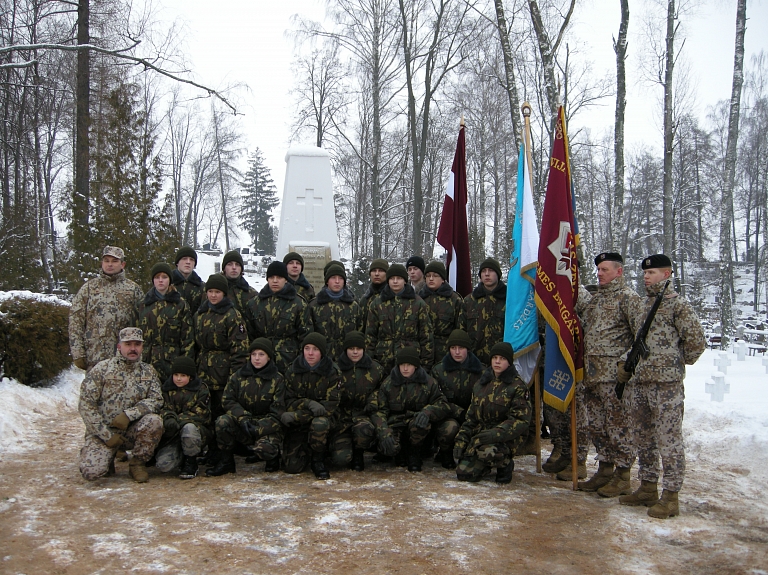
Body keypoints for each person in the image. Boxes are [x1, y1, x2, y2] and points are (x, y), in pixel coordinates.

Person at [617, 254, 706, 519]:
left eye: (652, 273)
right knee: (642, 437)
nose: (646, 276)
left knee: (669, 441)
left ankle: (671, 496)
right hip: (642, 382)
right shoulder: (644, 305)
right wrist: (625, 363)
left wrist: (676, 362)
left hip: (666, 386)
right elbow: (637, 340)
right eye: (645, 273)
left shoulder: (678, 305)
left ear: (666, 274)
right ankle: (647, 485)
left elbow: (696, 341)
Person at [576, 252, 642, 495]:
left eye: (605, 269)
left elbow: (640, 338)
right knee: (597, 425)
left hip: (615, 380)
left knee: (619, 426)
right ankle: (604, 469)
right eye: (598, 270)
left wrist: (625, 365)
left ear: (619, 271)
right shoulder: (595, 300)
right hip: (593, 377)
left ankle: (623, 474)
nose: (600, 274)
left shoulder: (629, 299)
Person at [77, 327, 163, 483]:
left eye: (137, 344)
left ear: (142, 347)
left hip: (131, 430)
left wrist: (129, 414)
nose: (132, 348)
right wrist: (106, 435)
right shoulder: (102, 369)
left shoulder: (148, 371)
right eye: (128, 344)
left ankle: (137, 463)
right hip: (103, 431)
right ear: (119, 346)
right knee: (91, 473)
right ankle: (106, 457)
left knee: (154, 421)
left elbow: (156, 399)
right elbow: (86, 404)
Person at [453, 342, 531, 484]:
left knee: (486, 452)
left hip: (506, 438)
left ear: (509, 362)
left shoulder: (517, 386)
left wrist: (496, 434)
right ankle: (484, 464)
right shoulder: (481, 384)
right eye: (495, 357)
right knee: (464, 473)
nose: (497, 361)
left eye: (502, 358)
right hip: (482, 436)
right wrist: (461, 440)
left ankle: (505, 464)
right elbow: (471, 417)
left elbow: (520, 420)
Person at [206, 338, 286, 476]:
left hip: (267, 427)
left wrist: (259, 427)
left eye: (261, 354)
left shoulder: (277, 380)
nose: (256, 358)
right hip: (244, 423)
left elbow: (278, 412)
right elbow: (227, 400)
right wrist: (242, 418)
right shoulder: (238, 376)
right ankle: (226, 462)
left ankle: (272, 459)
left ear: (269, 357)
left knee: (265, 449)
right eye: (253, 354)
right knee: (222, 422)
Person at [194, 273, 249, 464]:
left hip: (223, 372)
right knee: (206, 412)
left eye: (217, 292)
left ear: (224, 294)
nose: (213, 295)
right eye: (210, 291)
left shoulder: (232, 315)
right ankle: (211, 450)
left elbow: (240, 349)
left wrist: (235, 376)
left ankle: (224, 452)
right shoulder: (200, 314)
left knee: (222, 412)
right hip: (203, 371)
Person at [369, 347, 448, 472]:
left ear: (415, 366)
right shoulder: (388, 384)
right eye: (402, 365)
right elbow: (379, 411)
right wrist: (384, 433)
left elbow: (442, 403)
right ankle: (398, 452)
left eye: (409, 365)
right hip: (395, 423)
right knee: (390, 447)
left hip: (415, 423)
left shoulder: (429, 382)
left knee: (421, 424)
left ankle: (415, 453)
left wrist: (427, 412)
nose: (405, 369)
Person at [69, 246, 144, 371]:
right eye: (107, 260)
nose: (110, 264)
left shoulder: (133, 290)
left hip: (124, 359)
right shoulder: (88, 289)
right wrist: (78, 352)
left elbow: (142, 323)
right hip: (95, 357)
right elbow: (75, 321)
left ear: (122, 264)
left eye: (114, 261)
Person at [281, 333, 341, 479]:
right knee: (291, 467)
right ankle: (305, 449)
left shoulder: (332, 372)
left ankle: (318, 459)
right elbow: (289, 401)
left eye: (315, 349)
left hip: (324, 420)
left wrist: (298, 415)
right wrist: (308, 403)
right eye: (307, 348)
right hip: (299, 425)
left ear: (322, 352)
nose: (310, 353)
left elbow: (328, 407)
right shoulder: (292, 370)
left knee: (319, 423)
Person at [331, 330, 385, 471]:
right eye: (351, 349)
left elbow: (381, 390)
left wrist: (373, 401)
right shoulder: (335, 369)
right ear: (346, 350)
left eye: (358, 349)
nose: (355, 352)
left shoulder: (376, 369)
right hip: (342, 418)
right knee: (340, 460)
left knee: (365, 429)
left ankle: (359, 453)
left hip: (362, 415)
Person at [430, 329, 484, 469]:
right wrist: (457, 412)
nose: (457, 352)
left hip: (473, 418)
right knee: (449, 428)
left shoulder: (481, 372)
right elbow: (437, 400)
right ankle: (445, 452)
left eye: (461, 348)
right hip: (449, 416)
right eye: (453, 348)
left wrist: (471, 417)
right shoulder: (439, 371)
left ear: (468, 349)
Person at [366, 263, 434, 373]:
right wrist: (370, 362)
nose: (395, 281)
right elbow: (370, 336)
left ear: (405, 281)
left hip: (410, 361)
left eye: (399, 278)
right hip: (383, 361)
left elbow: (426, 335)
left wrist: (426, 364)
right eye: (392, 278)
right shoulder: (377, 304)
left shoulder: (418, 303)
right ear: (388, 281)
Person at [248, 260, 312, 374]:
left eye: (279, 277)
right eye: (272, 277)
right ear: (267, 279)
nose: (275, 281)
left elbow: (305, 336)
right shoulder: (254, 304)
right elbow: (249, 335)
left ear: (286, 279)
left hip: (289, 362)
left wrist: (300, 363)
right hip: (261, 362)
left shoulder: (298, 303)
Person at [135, 262, 194, 381]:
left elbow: (187, 339)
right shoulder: (142, 305)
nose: (160, 281)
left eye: (164, 277)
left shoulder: (180, 305)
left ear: (170, 280)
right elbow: (134, 335)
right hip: (146, 364)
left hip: (172, 365)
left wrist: (184, 367)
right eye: (157, 277)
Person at [155, 355, 211, 480]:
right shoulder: (166, 389)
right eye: (176, 375)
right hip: (173, 435)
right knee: (163, 465)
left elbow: (201, 414)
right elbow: (162, 407)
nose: (179, 379)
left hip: (196, 432)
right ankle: (180, 457)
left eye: (183, 376)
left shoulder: (201, 389)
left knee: (189, 428)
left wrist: (178, 420)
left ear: (190, 377)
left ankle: (191, 462)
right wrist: (168, 417)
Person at [309, 263, 362, 362]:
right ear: (327, 281)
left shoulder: (353, 306)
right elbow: (309, 335)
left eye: (340, 278)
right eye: (333, 278)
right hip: (322, 359)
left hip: (347, 360)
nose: (337, 281)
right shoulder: (314, 306)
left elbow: (360, 332)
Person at [419, 261, 465, 362]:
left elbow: (460, 329)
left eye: (435, 276)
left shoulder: (454, 299)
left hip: (446, 353)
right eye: (428, 276)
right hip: (422, 352)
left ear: (443, 279)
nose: (431, 279)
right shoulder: (418, 299)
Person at [464, 258, 507, 365]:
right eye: (483, 271)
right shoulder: (469, 301)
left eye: (491, 270)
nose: (487, 274)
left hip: (502, 360)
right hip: (475, 361)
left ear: (498, 274)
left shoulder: (509, 300)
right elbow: (462, 330)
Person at [221, 250, 258, 338]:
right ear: (224, 268)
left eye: (237, 265)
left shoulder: (252, 294)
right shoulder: (215, 291)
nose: (234, 267)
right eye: (230, 264)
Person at [358, 258, 389, 332]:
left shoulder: (392, 297)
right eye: (374, 271)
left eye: (381, 271)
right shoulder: (365, 299)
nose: (377, 274)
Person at [172, 246, 206, 312]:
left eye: (191, 259)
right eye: (184, 259)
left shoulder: (202, 288)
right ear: (177, 262)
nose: (188, 262)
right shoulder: (167, 285)